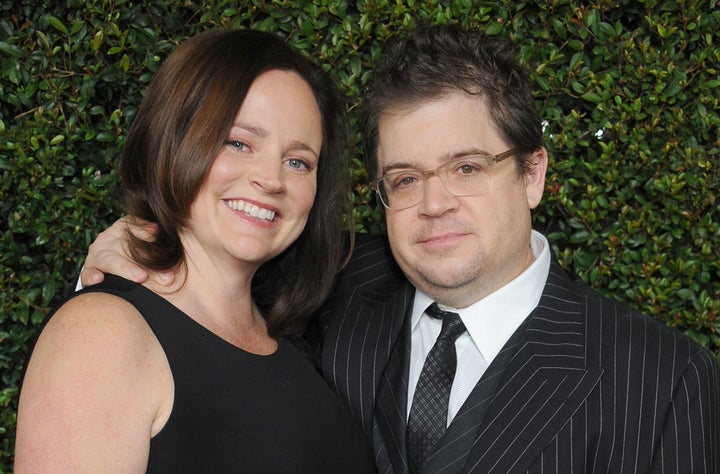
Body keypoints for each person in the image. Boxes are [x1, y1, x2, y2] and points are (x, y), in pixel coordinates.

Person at [77, 25, 720, 473]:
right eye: (406, 179)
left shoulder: (662, 379)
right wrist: (141, 246)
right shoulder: (327, 295)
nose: (434, 203)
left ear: (532, 174)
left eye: (467, 167)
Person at [14, 29, 375, 472]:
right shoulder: (104, 334)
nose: (271, 178)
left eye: (298, 161)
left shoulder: (304, 334)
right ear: (176, 141)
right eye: (239, 142)